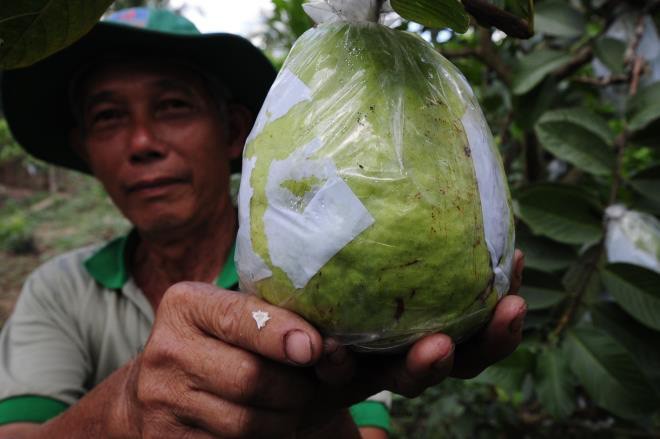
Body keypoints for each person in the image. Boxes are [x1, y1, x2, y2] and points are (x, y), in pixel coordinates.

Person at [0, 7, 527, 438]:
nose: (142, 144)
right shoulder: (59, 291)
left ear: (236, 132)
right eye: (109, 116)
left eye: (173, 106)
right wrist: (123, 410)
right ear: (83, 149)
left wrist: (314, 414)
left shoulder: (300, 288)